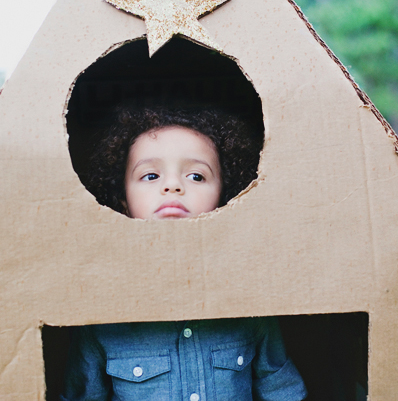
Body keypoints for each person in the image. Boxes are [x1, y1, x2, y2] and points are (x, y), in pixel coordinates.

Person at [61, 104, 307, 401]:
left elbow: (282, 391)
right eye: (151, 176)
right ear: (122, 200)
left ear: (226, 198)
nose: (173, 185)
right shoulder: (100, 315)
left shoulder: (251, 299)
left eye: (196, 176)